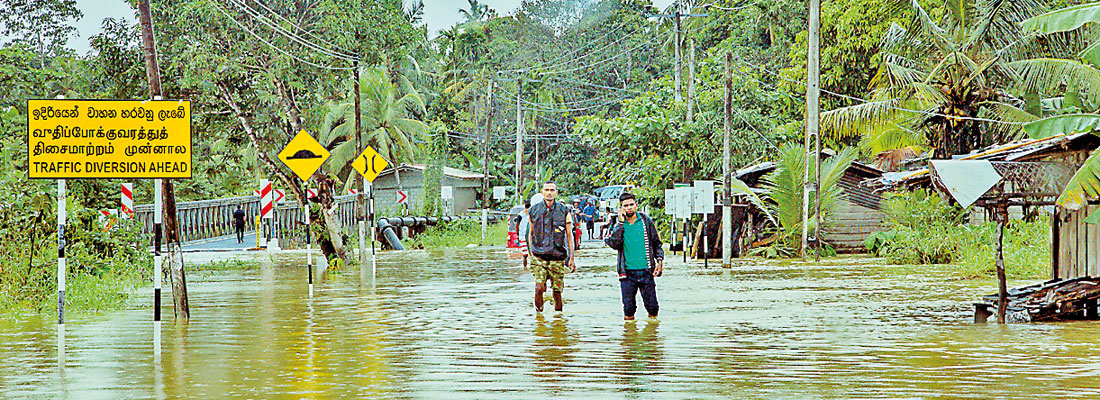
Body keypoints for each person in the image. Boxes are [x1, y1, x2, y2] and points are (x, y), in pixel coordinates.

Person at [605, 192, 664, 320]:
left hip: (646, 271)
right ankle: (629, 337)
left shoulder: (645, 221)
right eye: (625, 205)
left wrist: (659, 262)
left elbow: (657, 244)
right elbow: (613, 243)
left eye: (631, 204)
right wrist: (620, 224)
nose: (629, 207)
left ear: (636, 205)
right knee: (628, 309)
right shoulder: (616, 223)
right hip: (627, 274)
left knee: (653, 308)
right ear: (621, 208)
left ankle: (652, 336)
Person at [527, 182, 576, 313]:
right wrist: (531, 255)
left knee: (557, 291)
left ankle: (558, 320)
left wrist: (571, 258)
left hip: (558, 257)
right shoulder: (534, 210)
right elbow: (530, 234)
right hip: (539, 256)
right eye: (547, 190)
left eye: (552, 190)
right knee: (538, 288)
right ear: (542, 192)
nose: (549, 192)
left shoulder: (564, 210)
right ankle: (539, 317)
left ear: (556, 192)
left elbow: (570, 236)